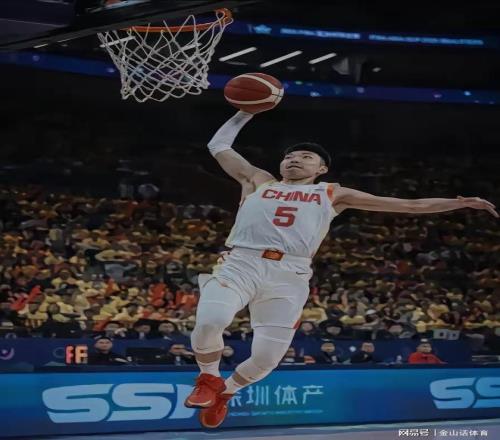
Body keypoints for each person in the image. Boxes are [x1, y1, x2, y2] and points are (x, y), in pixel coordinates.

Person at [185, 109, 498, 429]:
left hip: (290, 274)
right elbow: (218, 145)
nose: (294, 160)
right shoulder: (258, 180)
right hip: (241, 262)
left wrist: (458, 203)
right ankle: (208, 379)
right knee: (211, 320)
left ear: (321, 168)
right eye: (289, 156)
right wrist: (246, 112)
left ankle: (226, 393)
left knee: (266, 359)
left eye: (305, 157)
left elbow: (407, 205)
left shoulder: (332, 193)